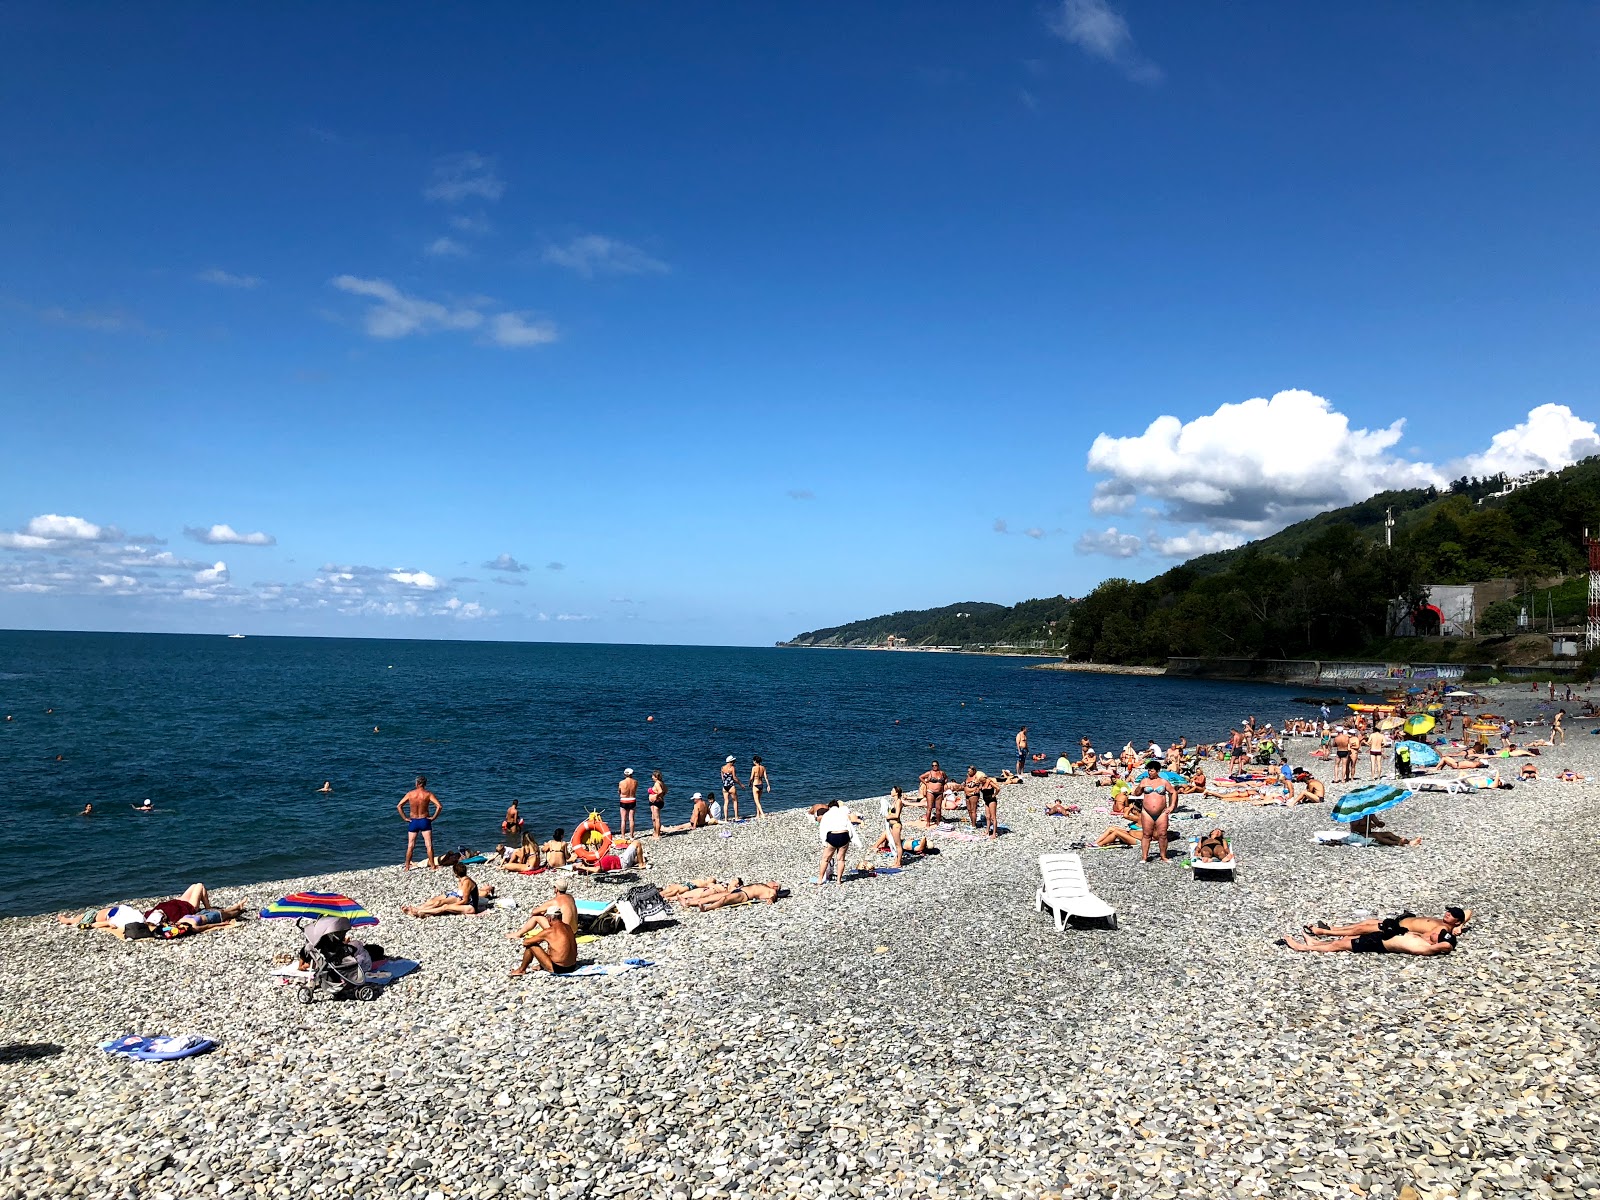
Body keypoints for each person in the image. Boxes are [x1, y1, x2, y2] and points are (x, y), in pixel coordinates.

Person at [1304, 907, 1471, 939]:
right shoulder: (1451, 922)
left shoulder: (1443, 928)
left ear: (1456, 920)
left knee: (1363, 929)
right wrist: (1461, 925)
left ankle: (1324, 933)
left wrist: (1407, 935)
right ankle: (1333, 928)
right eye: (1448, 911)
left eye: (1452, 915)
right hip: (1399, 920)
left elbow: (1428, 937)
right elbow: (1469, 912)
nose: (1448, 914)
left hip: (1400, 928)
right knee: (1368, 922)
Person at [1278, 926, 1456, 956]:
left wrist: (1446, 942)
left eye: (1436, 935)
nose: (1434, 933)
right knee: (1346, 939)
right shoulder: (1425, 940)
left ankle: (1302, 948)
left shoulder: (1429, 947)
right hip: (1380, 938)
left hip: (1378, 944)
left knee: (1338, 945)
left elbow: (1446, 946)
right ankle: (1315, 944)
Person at [402, 863, 490, 917]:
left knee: (445, 907)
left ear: (456, 873)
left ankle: (420, 911)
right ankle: (418, 909)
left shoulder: (467, 882)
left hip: (470, 907)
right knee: (435, 901)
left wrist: (454, 904)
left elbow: (465, 900)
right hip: (461, 900)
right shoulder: (463, 880)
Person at [509, 908, 576, 977]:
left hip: (559, 968)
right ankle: (541, 966)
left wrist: (533, 939)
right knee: (553, 946)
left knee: (532, 945)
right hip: (572, 966)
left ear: (549, 919)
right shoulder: (568, 927)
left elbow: (526, 942)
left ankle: (521, 970)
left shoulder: (549, 931)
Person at [1132, 761, 1177, 863]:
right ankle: (1144, 857)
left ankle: (1163, 856)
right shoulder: (1144, 781)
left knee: (1163, 834)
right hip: (1147, 812)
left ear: (1157, 771)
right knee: (1146, 834)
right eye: (1148, 770)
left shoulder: (1163, 782)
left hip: (1161, 812)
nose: (1149, 772)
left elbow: (1173, 792)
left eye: (1151, 771)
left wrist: (1172, 806)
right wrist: (1141, 786)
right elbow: (1136, 793)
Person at [398, 775, 442, 871]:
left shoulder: (410, 794)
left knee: (410, 845)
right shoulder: (428, 794)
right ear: (424, 784)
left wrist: (405, 818)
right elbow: (439, 806)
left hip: (413, 821)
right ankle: (433, 866)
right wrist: (433, 817)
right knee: (429, 844)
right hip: (424, 820)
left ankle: (407, 867)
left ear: (417, 783)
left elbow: (399, 806)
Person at [817, 800, 853, 884]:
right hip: (844, 834)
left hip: (833, 835)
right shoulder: (843, 813)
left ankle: (820, 879)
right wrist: (849, 838)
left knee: (825, 859)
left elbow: (823, 829)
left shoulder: (827, 815)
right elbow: (849, 827)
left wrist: (824, 841)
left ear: (829, 807)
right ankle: (839, 880)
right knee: (841, 859)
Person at [918, 761, 948, 827]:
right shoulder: (929, 773)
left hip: (939, 793)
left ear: (938, 766)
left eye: (936, 765)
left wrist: (943, 784)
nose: (934, 767)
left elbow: (946, 778)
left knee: (938, 808)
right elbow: (920, 777)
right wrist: (926, 783)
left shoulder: (942, 773)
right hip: (930, 792)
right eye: (933, 765)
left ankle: (938, 822)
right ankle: (928, 822)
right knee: (929, 807)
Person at [881, 785, 905, 867]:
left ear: (896, 792)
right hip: (891, 825)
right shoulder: (894, 802)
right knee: (894, 843)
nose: (891, 792)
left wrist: (888, 816)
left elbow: (897, 815)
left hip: (896, 825)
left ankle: (899, 863)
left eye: (892, 790)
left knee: (898, 844)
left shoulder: (898, 802)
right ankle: (896, 860)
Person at [618, 768, 638, 837]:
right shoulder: (635, 782)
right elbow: (635, 791)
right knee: (631, 819)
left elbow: (619, 792)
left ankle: (623, 836)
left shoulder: (621, 782)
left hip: (624, 800)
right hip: (632, 799)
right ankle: (631, 835)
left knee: (623, 819)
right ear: (631, 774)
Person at [720, 756, 741, 821]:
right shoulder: (732, 768)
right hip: (731, 786)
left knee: (726, 802)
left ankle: (726, 819)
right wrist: (740, 784)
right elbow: (734, 778)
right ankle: (736, 817)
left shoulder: (722, 768)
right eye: (733, 761)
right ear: (730, 762)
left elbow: (722, 778)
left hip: (724, 786)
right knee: (735, 801)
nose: (734, 762)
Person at [648, 770, 668, 838]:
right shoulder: (662, 783)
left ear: (656, 777)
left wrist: (656, 796)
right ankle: (656, 832)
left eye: (653, 776)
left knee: (656, 818)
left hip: (656, 802)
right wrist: (661, 796)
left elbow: (661, 791)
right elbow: (666, 790)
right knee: (654, 818)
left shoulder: (657, 783)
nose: (652, 777)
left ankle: (657, 834)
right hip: (657, 802)